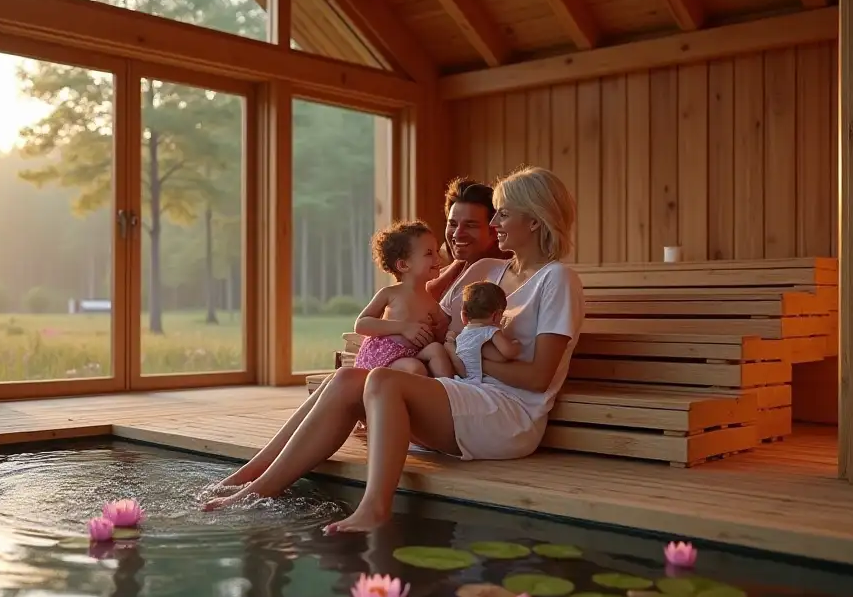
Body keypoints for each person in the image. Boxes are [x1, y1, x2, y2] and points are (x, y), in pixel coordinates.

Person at [209, 167, 584, 537]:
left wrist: (471, 356)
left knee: (384, 382)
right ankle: (251, 477)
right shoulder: (487, 269)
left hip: (509, 413)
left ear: (534, 221)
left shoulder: (557, 280)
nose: (495, 221)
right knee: (345, 378)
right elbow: (432, 318)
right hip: (460, 391)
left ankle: (374, 508)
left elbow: (538, 379)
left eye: (504, 213)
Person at [207, 176, 502, 501]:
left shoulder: (493, 281)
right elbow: (409, 310)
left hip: (447, 398)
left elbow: (467, 341)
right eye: (452, 223)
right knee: (340, 379)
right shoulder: (451, 274)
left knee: (346, 380)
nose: (457, 234)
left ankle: (257, 489)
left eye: (470, 225)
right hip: (410, 381)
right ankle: (251, 474)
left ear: (495, 227)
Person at [352, 220, 454, 378]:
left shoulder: (431, 302)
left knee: (436, 350)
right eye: (429, 253)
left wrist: (440, 332)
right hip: (385, 358)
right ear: (404, 265)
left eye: (436, 251)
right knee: (416, 368)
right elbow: (361, 325)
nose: (437, 258)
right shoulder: (390, 293)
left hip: (412, 354)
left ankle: (450, 390)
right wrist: (404, 327)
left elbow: (444, 328)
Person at [446, 281, 521, 383]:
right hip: (476, 382)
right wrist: (516, 345)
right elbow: (508, 352)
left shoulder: (463, 334)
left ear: (464, 316)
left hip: (461, 379)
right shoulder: (491, 331)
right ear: (496, 316)